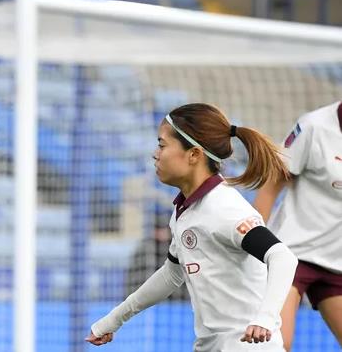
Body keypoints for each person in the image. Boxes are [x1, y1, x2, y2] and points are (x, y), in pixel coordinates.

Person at [86, 103, 298, 351]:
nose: (155, 153)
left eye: (162, 145)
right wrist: (113, 320)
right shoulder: (184, 210)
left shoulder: (224, 208)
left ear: (194, 155)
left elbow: (283, 257)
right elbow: (171, 274)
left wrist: (265, 318)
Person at [252, 100, 342, 350]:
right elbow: (272, 184)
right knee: (275, 344)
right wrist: (253, 242)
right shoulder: (315, 127)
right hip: (291, 254)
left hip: (337, 264)